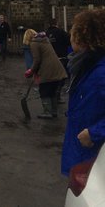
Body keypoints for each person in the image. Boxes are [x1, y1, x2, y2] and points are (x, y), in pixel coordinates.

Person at [61, 9, 105, 177]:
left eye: (74, 30)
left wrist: (95, 133)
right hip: (82, 153)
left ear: (83, 36)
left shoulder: (100, 72)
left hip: (93, 158)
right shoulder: (85, 66)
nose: (70, 35)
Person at [25, 32, 68, 119]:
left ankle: (47, 112)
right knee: (53, 91)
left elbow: (37, 60)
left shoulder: (34, 43)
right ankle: (54, 111)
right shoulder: (44, 40)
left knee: (44, 91)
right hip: (57, 68)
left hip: (47, 70)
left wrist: (31, 70)